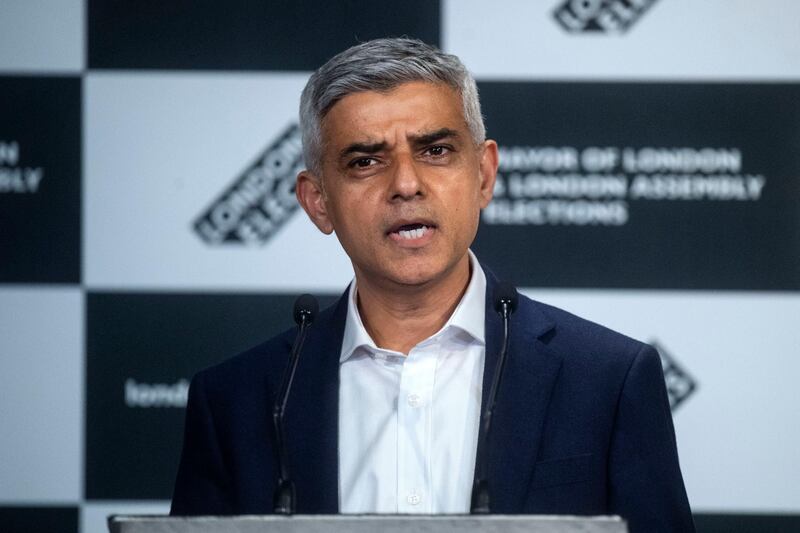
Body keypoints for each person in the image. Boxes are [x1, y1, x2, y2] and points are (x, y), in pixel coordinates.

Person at [171, 38, 694, 532]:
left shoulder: (608, 379)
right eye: (365, 161)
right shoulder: (236, 401)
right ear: (318, 202)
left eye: (436, 151)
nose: (405, 184)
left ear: (484, 175)